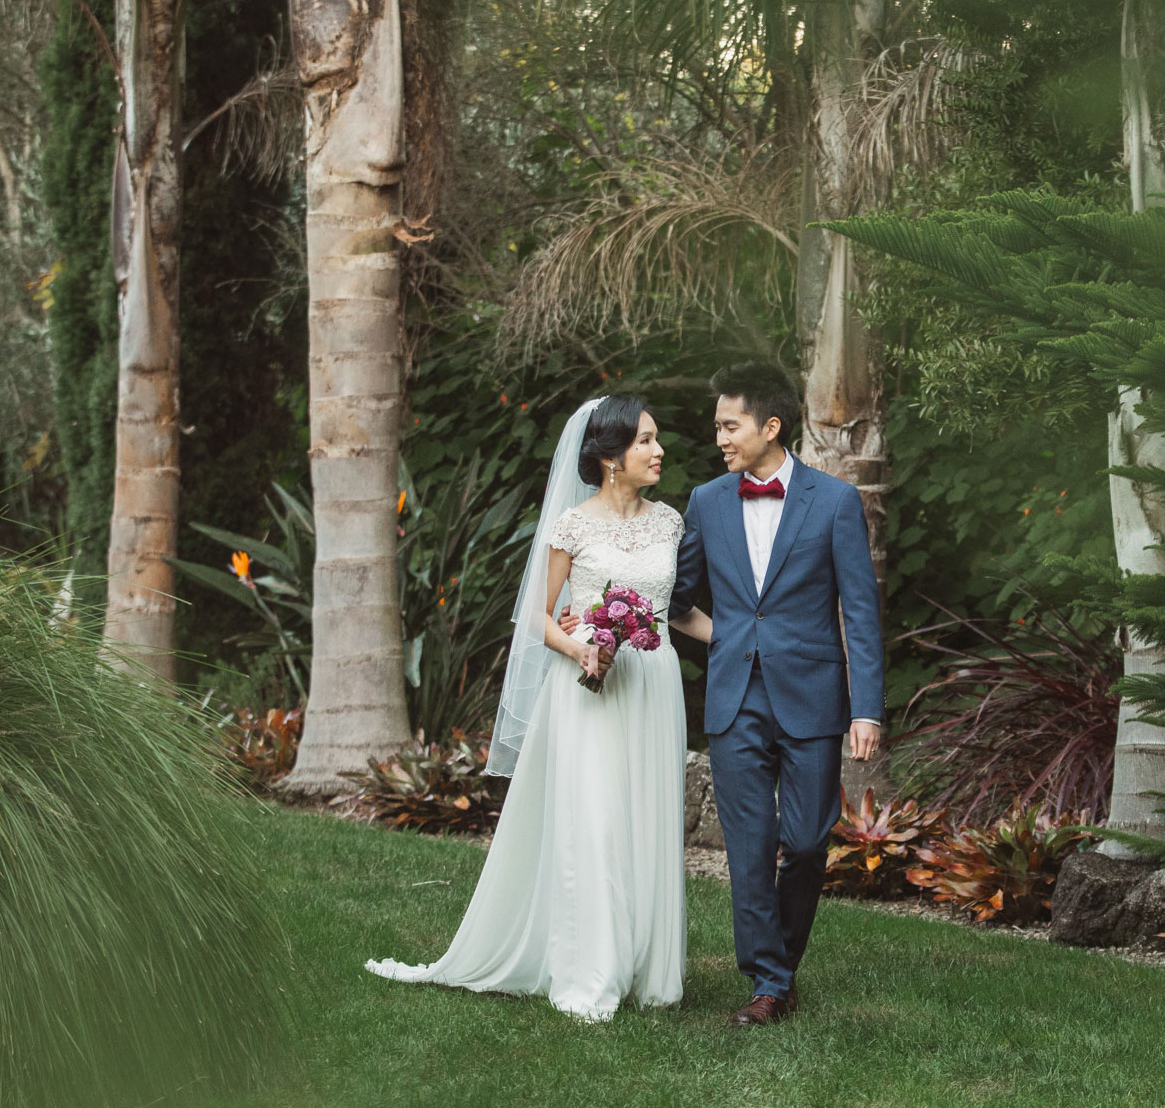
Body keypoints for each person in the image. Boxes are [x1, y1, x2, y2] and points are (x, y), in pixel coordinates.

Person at [364, 396, 712, 1022]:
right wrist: (582, 646)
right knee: (598, 824)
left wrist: (747, 643)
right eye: (645, 441)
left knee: (647, 819)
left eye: (657, 440)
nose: (659, 451)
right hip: (588, 690)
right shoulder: (574, 525)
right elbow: (537, 618)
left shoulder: (669, 523)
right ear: (610, 457)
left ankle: (651, 974)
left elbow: (677, 610)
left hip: (654, 684)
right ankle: (590, 974)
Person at [670, 362, 885, 1026]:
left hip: (814, 697)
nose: (719, 439)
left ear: (771, 426)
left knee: (809, 839)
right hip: (734, 698)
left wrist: (866, 706)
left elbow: (860, 610)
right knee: (749, 844)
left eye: (729, 426)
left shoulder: (836, 502)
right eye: (716, 427)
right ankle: (768, 982)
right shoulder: (706, 501)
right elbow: (676, 602)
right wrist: (729, 637)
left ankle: (779, 966)